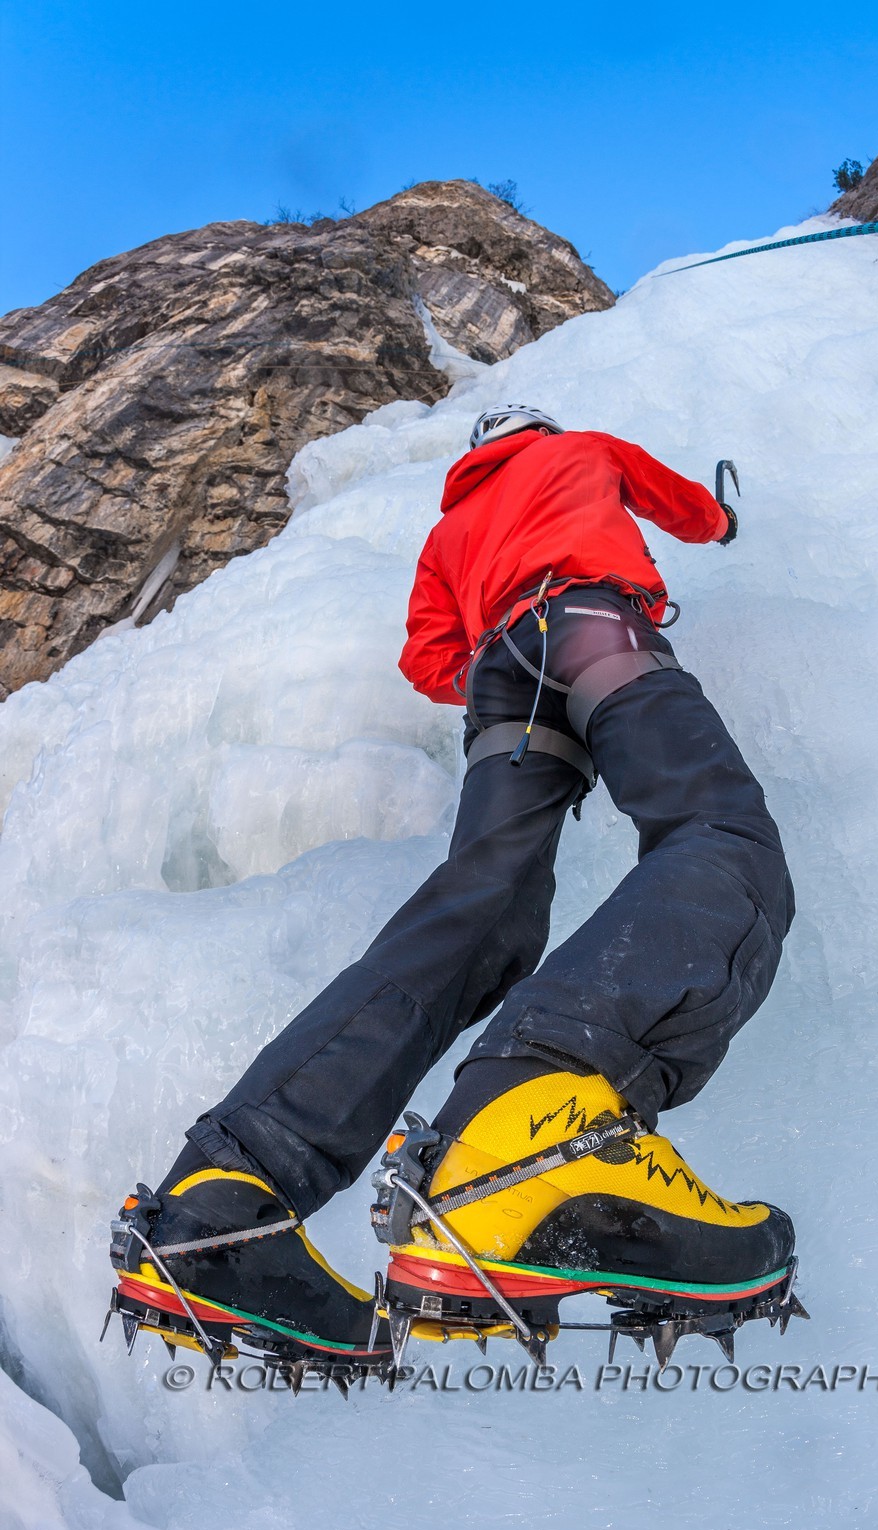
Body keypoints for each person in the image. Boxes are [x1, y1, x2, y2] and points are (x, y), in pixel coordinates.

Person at [109, 405, 797, 1371]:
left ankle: (224, 1202)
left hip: (500, 689)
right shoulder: (576, 450)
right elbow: (679, 505)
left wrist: (501, 668)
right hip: (594, 626)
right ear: (537, 431)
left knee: (483, 907)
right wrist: (720, 525)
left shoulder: (450, 529)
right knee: (714, 829)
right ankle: (530, 1128)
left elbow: (426, 656)